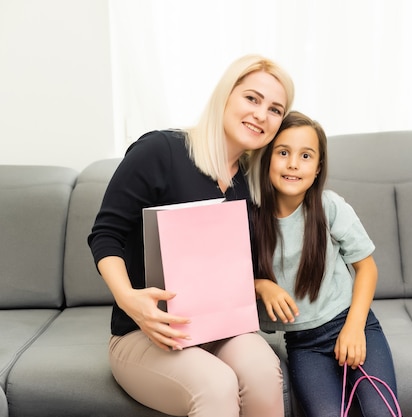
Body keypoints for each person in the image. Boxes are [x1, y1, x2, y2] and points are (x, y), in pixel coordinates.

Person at [87, 54, 294, 417]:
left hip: (221, 328)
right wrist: (129, 298)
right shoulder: (160, 151)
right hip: (145, 332)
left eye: (275, 109)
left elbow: (231, 266)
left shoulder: (252, 182)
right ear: (225, 95)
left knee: (264, 372)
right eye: (252, 99)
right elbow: (106, 234)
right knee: (216, 385)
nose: (262, 115)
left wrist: (261, 284)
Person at [249, 111, 398, 417]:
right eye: (283, 153)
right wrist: (261, 285)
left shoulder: (330, 206)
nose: (293, 163)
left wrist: (355, 328)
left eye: (305, 156)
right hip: (304, 344)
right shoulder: (251, 219)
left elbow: (367, 268)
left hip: (354, 323)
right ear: (267, 161)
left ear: (317, 169)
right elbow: (229, 281)